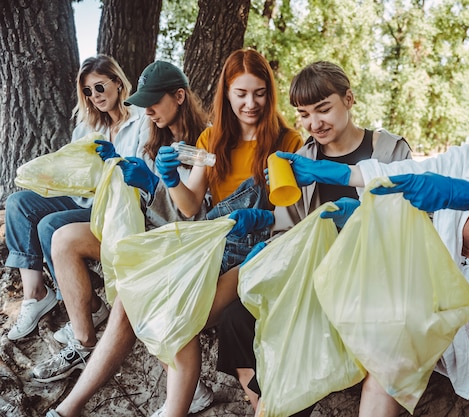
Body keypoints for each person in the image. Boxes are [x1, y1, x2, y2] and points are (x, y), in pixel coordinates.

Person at [273, 54, 469, 417]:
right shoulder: (466, 159)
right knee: (387, 348)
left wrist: (460, 195)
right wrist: (336, 174)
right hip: (449, 297)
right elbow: (401, 171)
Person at [46, 49, 303, 417]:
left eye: (259, 93)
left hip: (259, 249)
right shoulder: (212, 140)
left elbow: (292, 218)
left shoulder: (289, 142)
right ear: (226, 94)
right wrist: (165, 179)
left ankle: (172, 408)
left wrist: (260, 220)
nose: (250, 103)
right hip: (211, 243)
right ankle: (72, 407)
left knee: (174, 307)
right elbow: (189, 204)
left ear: (270, 93)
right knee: (132, 294)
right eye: (240, 93)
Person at [214, 60, 413, 416]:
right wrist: (267, 241)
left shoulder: (390, 152)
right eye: (304, 114)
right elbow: (287, 231)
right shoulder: (301, 159)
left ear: (349, 100)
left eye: (324, 109)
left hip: (371, 279)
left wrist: (359, 215)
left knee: (300, 334)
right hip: (315, 277)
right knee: (234, 318)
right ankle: (265, 404)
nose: (314, 123)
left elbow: (412, 220)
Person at [31, 60, 209, 386]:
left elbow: (193, 215)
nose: (149, 112)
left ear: (180, 97)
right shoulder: (155, 136)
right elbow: (142, 202)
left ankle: (187, 387)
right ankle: (83, 342)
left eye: (154, 103)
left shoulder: (203, 144)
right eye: (146, 105)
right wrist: (125, 174)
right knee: (62, 237)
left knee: (133, 287)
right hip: (136, 229)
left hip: (171, 241)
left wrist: (152, 186)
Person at [5, 55, 148, 341]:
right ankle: (37, 293)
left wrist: (116, 161)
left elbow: (143, 175)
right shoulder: (86, 127)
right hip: (84, 198)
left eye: (99, 87)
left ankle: (87, 307)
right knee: (17, 203)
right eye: (87, 91)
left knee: (50, 225)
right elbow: (77, 174)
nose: (94, 96)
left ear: (118, 83)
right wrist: (53, 174)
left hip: (117, 205)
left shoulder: (142, 119)